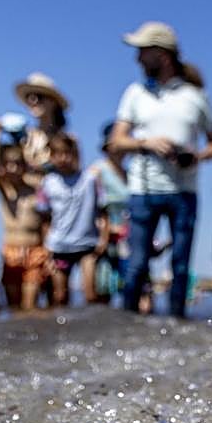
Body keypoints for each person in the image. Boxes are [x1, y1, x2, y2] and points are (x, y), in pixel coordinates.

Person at [108, 22, 212, 318]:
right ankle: (128, 327)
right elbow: (116, 142)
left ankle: (177, 328)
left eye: (143, 51)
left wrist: (195, 155)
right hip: (143, 192)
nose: (137, 58)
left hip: (184, 192)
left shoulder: (197, 96)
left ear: (163, 55)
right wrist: (147, 143)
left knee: (180, 266)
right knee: (136, 265)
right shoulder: (134, 93)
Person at [0, 119, 47, 309]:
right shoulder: (6, 192)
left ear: (24, 165)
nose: (13, 169)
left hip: (35, 251)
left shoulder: (36, 189)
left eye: (17, 164)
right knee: (13, 306)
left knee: (30, 306)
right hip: (10, 251)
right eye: (8, 165)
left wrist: (29, 146)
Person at [37, 134, 102, 306]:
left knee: (90, 294)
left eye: (67, 153)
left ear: (75, 154)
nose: (63, 158)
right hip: (59, 245)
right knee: (59, 296)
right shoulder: (47, 183)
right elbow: (44, 218)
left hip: (87, 244)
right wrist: (46, 246)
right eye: (58, 154)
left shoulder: (90, 179)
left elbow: (104, 211)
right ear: (51, 156)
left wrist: (103, 238)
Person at [91, 123, 131, 303]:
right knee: (103, 286)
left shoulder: (130, 174)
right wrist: (104, 231)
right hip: (104, 235)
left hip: (128, 238)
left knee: (132, 285)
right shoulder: (96, 171)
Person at [15, 73, 70, 174]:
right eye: (29, 97)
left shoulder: (69, 140)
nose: (33, 101)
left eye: (38, 96)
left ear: (53, 102)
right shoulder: (24, 138)